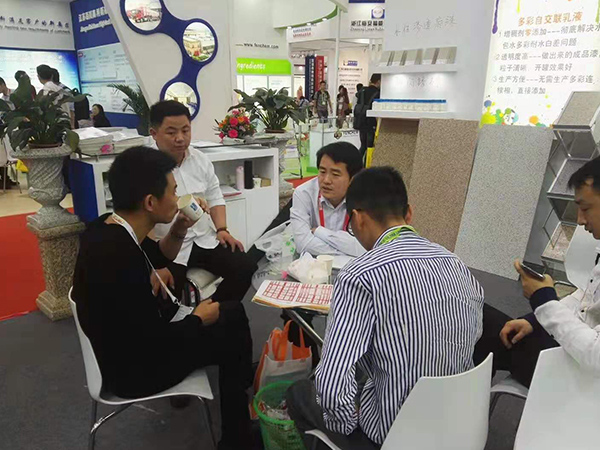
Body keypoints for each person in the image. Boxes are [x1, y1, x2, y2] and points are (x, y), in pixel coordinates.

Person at [287, 166, 484, 449]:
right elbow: (471, 336)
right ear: (409, 213)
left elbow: (332, 382)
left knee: (300, 393)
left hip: (393, 436)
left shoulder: (359, 275)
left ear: (357, 218)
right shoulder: (455, 263)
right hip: (458, 428)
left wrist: (346, 424)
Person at [72, 147, 256, 449]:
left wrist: (180, 226)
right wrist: (198, 319)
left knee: (231, 316)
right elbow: (151, 341)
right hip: (134, 371)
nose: (177, 197)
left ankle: (238, 378)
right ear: (150, 202)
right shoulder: (117, 258)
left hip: (122, 349)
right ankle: (237, 437)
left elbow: (159, 256)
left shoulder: (110, 227)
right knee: (230, 323)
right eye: (173, 191)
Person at [474, 156, 600, 386]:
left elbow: (595, 356)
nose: (580, 220)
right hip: (571, 353)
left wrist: (544, 302)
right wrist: (536, 319)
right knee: (481, 319)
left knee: (479, 322)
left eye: (585, 208)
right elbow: (586, 301)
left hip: (580, 380)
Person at [149, 100, 258, 306]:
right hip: (169, 248)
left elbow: (215, 196)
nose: (180, 138)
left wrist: (222, 229)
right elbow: (144, 218)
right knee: (166, 297)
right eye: (171, 132)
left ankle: (214, 311)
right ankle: (196, 319)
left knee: (245, 266)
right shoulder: (145, 166)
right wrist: (157, 263)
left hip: (203, 239)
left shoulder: (200, 160)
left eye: (185, 130)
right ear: (154, 133)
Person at [291, 141, 365, 258]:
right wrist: (348, 248)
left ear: (353, 178)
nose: (326, 180)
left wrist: (320, 232)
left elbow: (366, 247)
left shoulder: (364, 197)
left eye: (335, 174)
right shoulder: (304, 193)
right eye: (322, 172)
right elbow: (303, 244)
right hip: (313, 264)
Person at [354, 74, 381, 159]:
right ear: (378, 81)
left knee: (363, 146)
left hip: (360, 120)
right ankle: (367, 164)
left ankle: (356, 163)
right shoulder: (378, 93)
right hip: (370, 122)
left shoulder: (362, 90)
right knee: (370, 147)